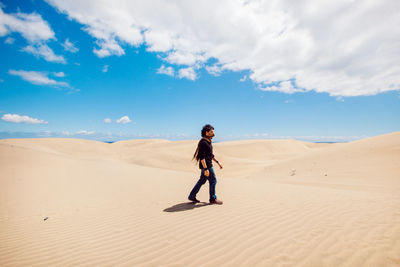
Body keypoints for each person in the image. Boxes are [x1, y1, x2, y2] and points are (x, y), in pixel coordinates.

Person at [188, 124, 223, 205]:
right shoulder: (203, 142)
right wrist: (206, 169)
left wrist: (217, 162)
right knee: (213, 180)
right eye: (211, 131)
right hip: (207, 166)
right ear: (207, 133)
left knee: (202, 180)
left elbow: (210, 155)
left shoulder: (208, 142)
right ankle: (212, 199)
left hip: (207, 165)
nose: (213, 133)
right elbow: (202, 157)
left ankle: (192, 195)